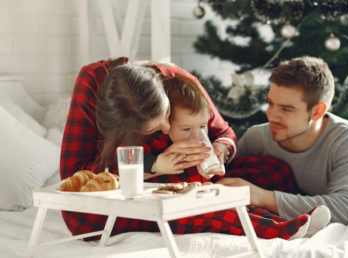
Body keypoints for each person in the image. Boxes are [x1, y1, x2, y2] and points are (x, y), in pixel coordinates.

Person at [60, 57, 311, 241]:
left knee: (276, 171)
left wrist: (219, 150)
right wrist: (154, 165)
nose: (167, 126)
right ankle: (245, 218)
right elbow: (74, 176)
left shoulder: (179, 83)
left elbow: (224, 133)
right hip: (141, 189)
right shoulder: (91, 84)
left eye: (167, 114)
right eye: (151, 129)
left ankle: (233, 209)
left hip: (193, 178)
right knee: (84, 220)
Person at [218, 56, 348, 225]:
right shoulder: (256, 138)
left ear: (317, 112)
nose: (271, 115)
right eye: (270, 103)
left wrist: (262, 196)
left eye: (286, 109)